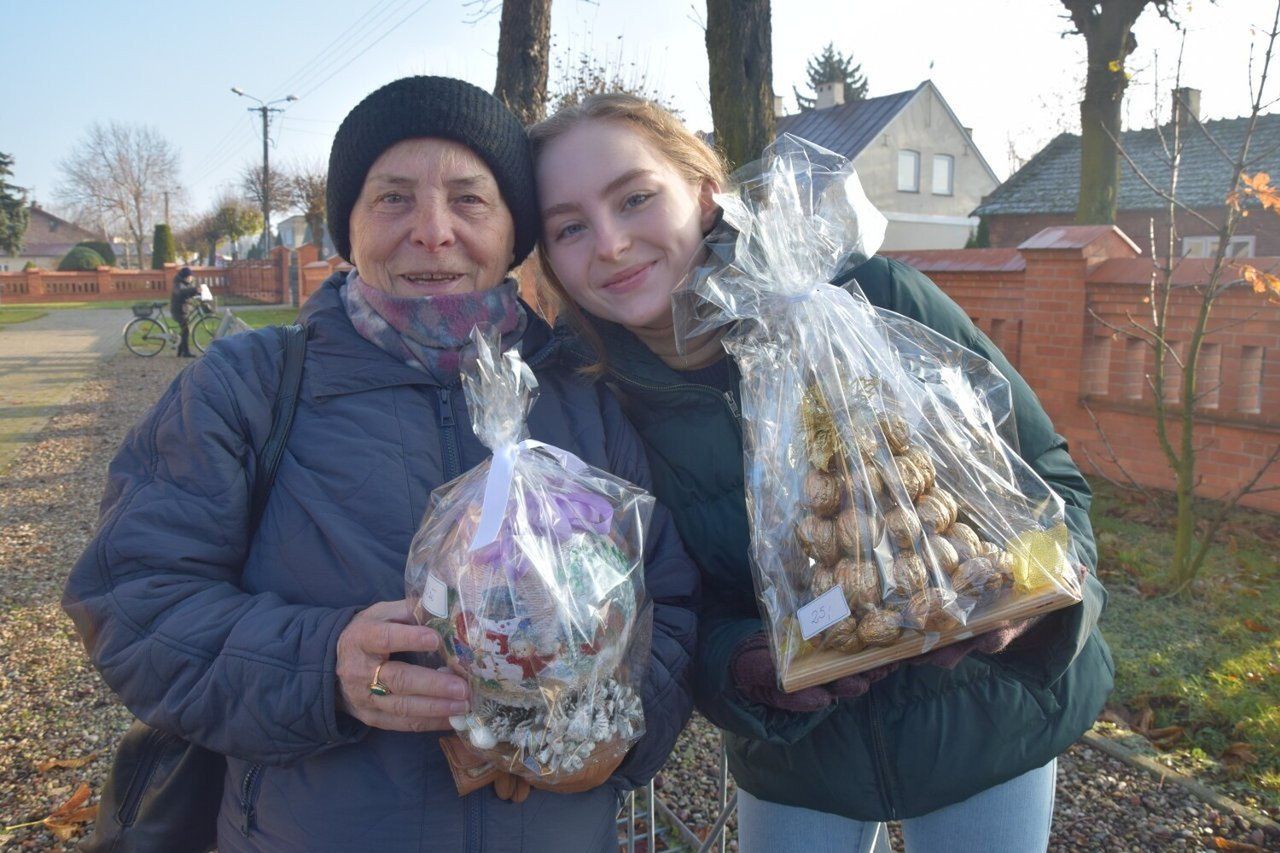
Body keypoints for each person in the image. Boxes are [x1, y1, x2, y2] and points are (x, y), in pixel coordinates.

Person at [64, 77, 699, 852]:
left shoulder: (583, 392)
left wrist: (595, 741)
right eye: (393, 198)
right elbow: (132, 599)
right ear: (348, 229)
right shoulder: (251, 387)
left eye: (469, 199)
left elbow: (668, 599)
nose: (432, 232)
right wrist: (319, 664)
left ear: (512, 231)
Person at [530, 94, 1113, 852]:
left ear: (706, 193)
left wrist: (1029, 605)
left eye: (636, 197)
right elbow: (651, 618)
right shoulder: (591, 406)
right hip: (800, 758)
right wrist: (739, 667)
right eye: (569, 226)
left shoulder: (869, 301)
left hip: (986, 720)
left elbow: (1048, 486)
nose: (609, 243)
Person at [170, 265, 199, 357]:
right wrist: (194, 289)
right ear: (185, 277)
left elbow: (187, 292)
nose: (191, 278)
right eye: (190, 277)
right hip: (178, 311)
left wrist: (197, 292)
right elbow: (181, 293)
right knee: (185, 330)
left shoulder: (183, 283)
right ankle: (185, 352)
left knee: (184, 330)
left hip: (182, 310)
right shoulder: (178, 284)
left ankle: (180, 351)